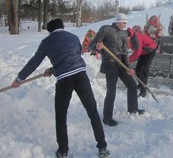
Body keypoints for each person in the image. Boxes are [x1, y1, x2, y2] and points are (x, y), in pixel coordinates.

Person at [11, 19, 109, 158]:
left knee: (61, 116)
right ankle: (102, 148)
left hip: (64, 80)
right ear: (62, 27)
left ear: (50, 31)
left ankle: (63, 151)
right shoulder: (74, 37)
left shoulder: (46, 42)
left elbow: (34, 62)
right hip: (81, 76)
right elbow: (72, 57)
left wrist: (19, 79)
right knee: (92, 111)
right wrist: (53, 69)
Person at [89, 13, 145, 127]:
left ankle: (133, 109)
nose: (125, 25)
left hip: (120, 64)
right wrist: (96, 47)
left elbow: (124, 52)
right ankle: (107, 118)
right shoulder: (106, 29)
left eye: (126, 23)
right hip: (109, 64)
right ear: (118, 21)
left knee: (132, 85)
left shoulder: (124, 34)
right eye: (124, 23)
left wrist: (128, 68)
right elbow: (91, 45)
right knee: (111, 91)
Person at [127, 27, 157, 97]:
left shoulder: (136, 38)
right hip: (143, 53)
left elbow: (138, 52)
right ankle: (140, 84)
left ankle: (143, 90)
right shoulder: (128, 40)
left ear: (129, 36)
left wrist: (129, 60)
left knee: (144, 70)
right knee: (137, 69)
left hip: (150, 51)